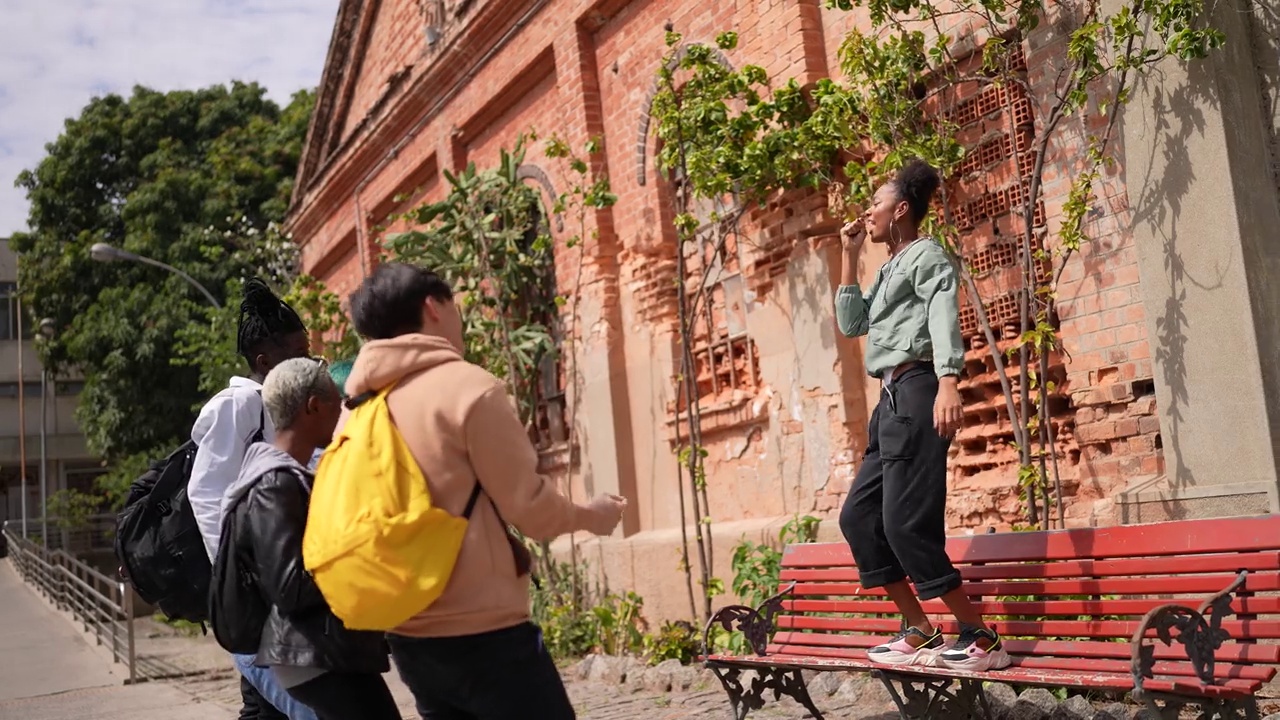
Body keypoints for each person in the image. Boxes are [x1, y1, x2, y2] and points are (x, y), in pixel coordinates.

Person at [345, 262, 628, 720]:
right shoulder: (466, 389)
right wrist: (592, 516)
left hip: (407, 633)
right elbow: (529, 509)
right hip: (484, 631)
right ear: (433, 307)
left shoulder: (357, 408)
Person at [834, 159, 1010, 672]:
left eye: (877, 204)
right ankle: (921, 631)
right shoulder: (890, 265)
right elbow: (852, 323)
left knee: (904, 524)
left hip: (918, 388)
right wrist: (848, 255)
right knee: (860, 519)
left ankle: (982, 638)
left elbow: (941, 313)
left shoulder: (927, 255)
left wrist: (949, 379)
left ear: (902, 209)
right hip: (887, 400)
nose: (868, 213)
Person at [221, 357, 401, 720]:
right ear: (314, 406)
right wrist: (362, 552)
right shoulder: (275, 483)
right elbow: (289, 586)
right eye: (340, 402)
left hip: (323, 650)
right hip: (311, 653)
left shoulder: (291, 476)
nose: (344, 410)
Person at [187, 279, 319, 720]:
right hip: (254, 600)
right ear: (265, 361)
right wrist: (239, 581)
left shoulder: (290, 405)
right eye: (299, 355)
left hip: (285, 592)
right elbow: (206, 493)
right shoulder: (240, 405)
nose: (311, 363)